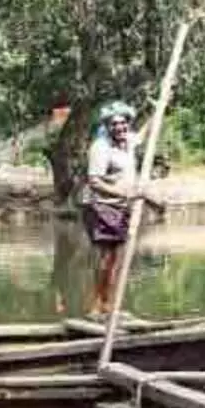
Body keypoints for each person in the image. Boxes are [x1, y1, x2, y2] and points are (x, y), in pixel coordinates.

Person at [81, 100, 143, 318]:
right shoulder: (101, 147)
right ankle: (97, 307)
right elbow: (94, 182)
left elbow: (146, 133)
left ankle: (108, 307)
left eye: (123, 123)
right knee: (106, 257)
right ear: (107, 126)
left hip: (119, 207)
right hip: (101, 206)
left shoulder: (129, 141)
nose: (120, 128)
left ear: (128, 124)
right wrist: (125, 194)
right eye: (114, 124)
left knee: (115, 258)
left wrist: (163, 104)